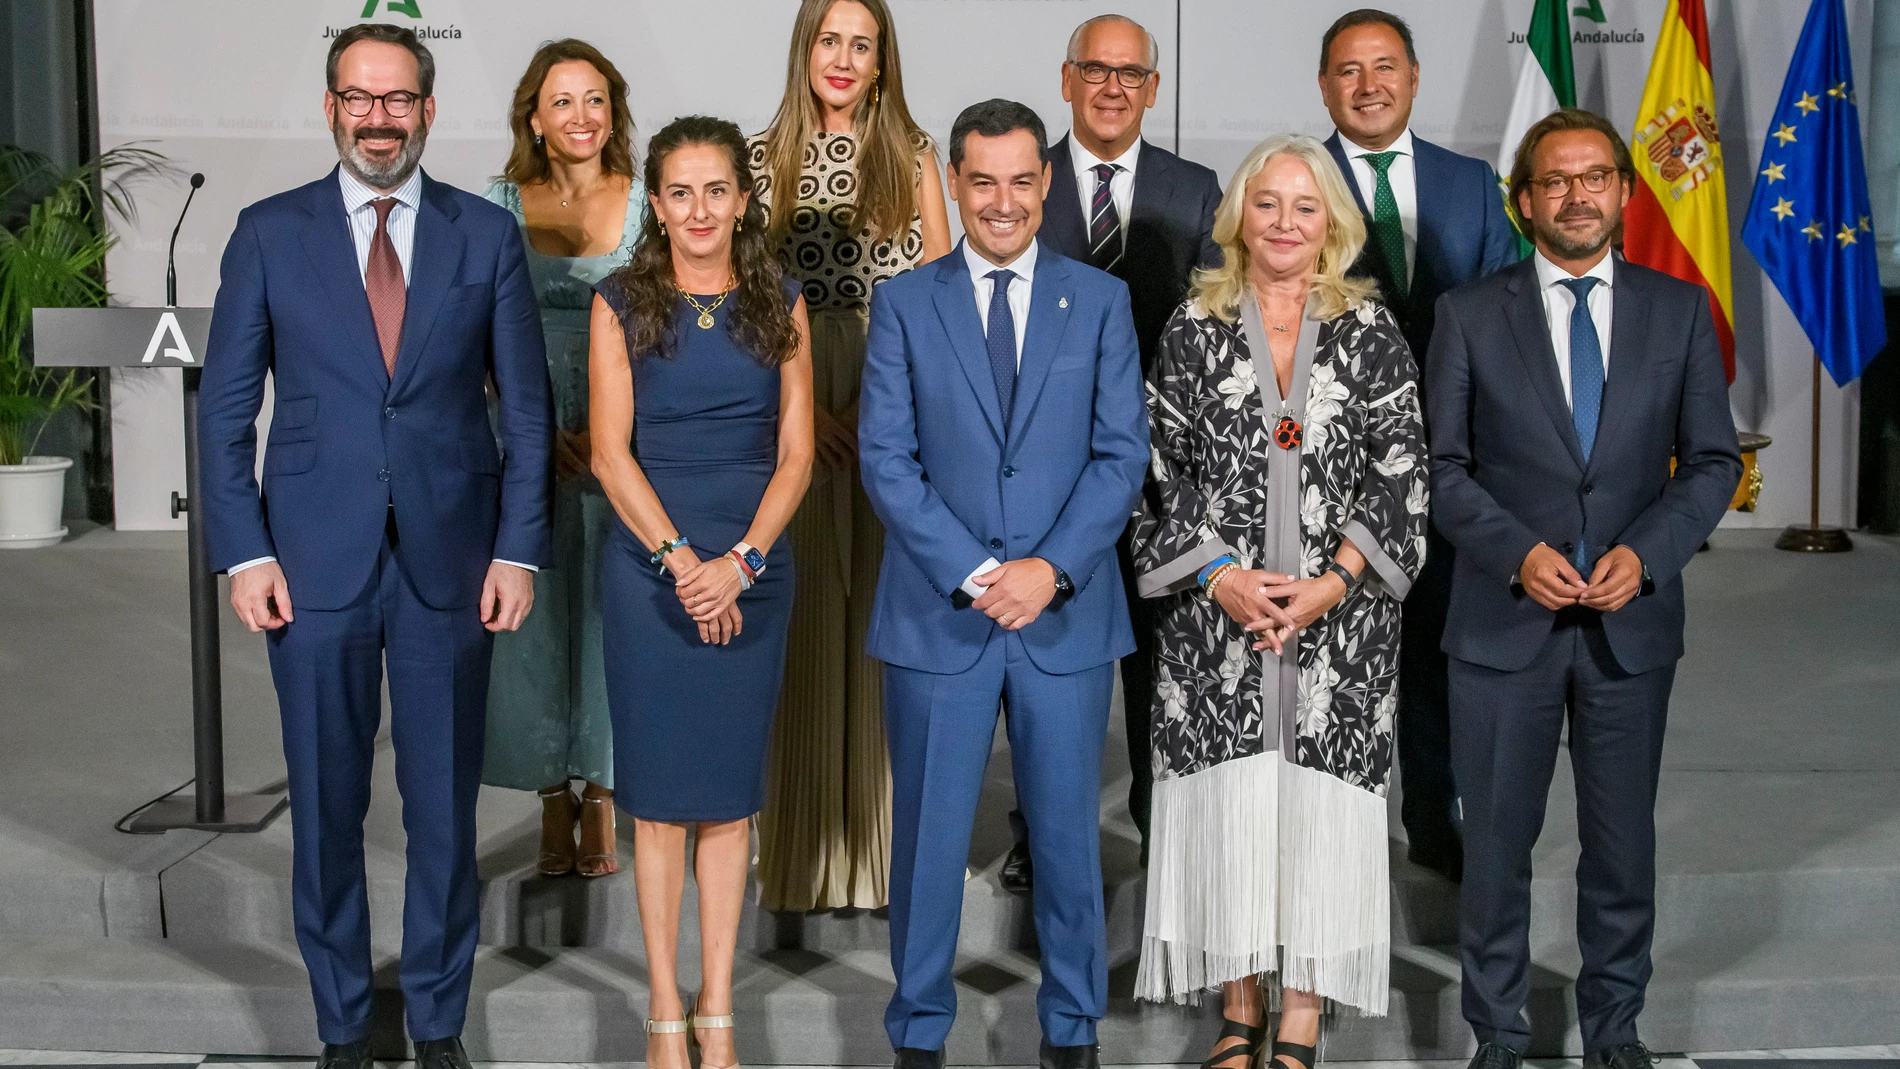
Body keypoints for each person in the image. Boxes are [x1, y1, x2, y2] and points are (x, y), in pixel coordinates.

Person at [197, 24, 551, 1069]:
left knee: (443, 812)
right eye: (359, 97)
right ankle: (344, 1026)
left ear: (428, 112)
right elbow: (224, 417)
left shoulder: (485, 237)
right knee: (326, 806)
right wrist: (244, 554)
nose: (378, 117)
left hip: (452, 559)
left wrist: (518, 549)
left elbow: (529, 413)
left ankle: (439, 1023)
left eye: (397, 99)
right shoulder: (267, 233)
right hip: (308, 566)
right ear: (331, 108)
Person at [1426, 108, 1739, 1069]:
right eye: (1555, 181)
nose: (1576, 195)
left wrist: (1647, 555)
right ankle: (1500, 1033)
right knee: (1495, 853)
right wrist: (1515, 552)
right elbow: (1442, 469)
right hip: (1502, 623)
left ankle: (1614, 1030)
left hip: (1627, 627)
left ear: (1624, 194)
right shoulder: (1470, 315)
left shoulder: (1679, 311)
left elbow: (1713, 463)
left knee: (1620, 849)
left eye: (1594, 177)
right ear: (1524, 203)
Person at [859, 98, 1148, 1069]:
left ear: (1047, 183)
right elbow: (886, 461)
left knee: (1068, 835)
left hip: (1064, 614)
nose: (1002, 200)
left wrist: (1048, 569)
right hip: (940, 614)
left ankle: (1072, 1022)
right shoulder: (904, 302)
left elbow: (1120, 457)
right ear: (952, 181)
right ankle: (920, 1028)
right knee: (931, 839)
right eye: (981, 179)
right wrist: (983, 573)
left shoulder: (1098, 301)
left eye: (1023, 179)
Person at [1131, 134, 1427, 1067]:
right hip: (1215, 624)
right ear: (1239, 219)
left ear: (1332, 221)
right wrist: (1219, 575)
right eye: (1268, 205)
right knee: (1233, 810)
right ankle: (1239, 1005)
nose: (1286, 223)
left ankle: (1301, 1015)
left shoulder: (1371, 330)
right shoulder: (1194, 325)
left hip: (1343, 626)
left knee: (1320, 816)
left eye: (1306, 206)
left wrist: (1336, 580)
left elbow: (1404, 468)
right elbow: (1154, 469)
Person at [588, 115, 814, 1069]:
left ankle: (718, 1005)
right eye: (679, 192)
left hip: (754, 569)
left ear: (744, 197)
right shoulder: (619, 303)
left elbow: (800, 453)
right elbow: (608, 450)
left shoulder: (784, 304)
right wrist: (684, 562)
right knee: (658, 802)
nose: (699, 210)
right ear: (655, 201)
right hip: (652, 572)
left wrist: (743, 564)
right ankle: (664, 1007)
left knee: (726, 798)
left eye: (716, 190)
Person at [1005, 10, 1222, 890]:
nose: (1111, 87)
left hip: (1163, 475)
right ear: (1065, 81)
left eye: (1130, 74)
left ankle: (1156, 826)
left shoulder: (1196, 188)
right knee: (1044, 670)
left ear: (1152, 90)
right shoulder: (1027, 180)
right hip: (1048, 475)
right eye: (1094, 70)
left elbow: (1214, 331)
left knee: (1157, 665)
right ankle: (1036, 829)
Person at [747, 0, 951, 913]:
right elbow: (737, 302)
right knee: (796, 632)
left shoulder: (914, 159)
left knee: (877, 622)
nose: (842, 57)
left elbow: (941, 298)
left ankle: (875, 860)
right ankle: (794, 858)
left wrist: (869, 408)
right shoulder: (756, 161)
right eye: (828, 39)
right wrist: (802, 406)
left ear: (882, 63)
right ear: (805, 49)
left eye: (860, 44)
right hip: (782, 403)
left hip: (891, 402)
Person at [1316, 7, 1521, 882]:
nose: (1369, 86)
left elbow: (1508, 319)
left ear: (1414, 76)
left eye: (1385, 67)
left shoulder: (1473, 185)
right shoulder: (1295, 180)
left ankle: (1434, 820)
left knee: (1437, 653)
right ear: (1325, 86)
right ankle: (1339, 834)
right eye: (1349, 71)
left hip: (1444, 468)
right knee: (1339, 662)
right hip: (1326, 473)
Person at [481, 38, 644, 881]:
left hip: (626, 444)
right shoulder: (498, 203)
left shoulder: (650, 203)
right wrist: (532, 433)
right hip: (526, 439)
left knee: (610, 612)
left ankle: (606, 793)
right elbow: (472, 329)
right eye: (563, 102)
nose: (581, 117)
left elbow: (667, 328)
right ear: (535, 119)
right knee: (536, 618)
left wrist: (611, 435)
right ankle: (552, 791)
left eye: (595, 99)